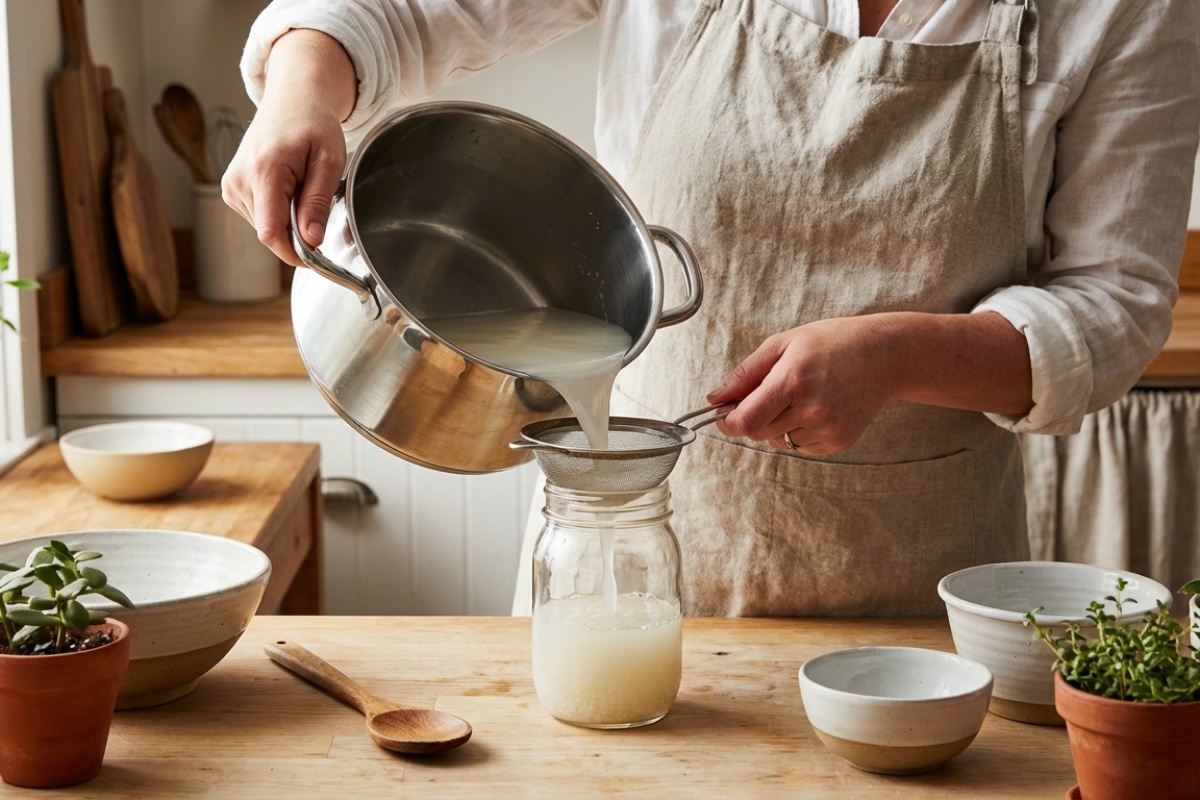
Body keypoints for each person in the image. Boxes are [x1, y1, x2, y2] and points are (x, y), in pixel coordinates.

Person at [225, 0, 1200, 616]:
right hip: (626, 553)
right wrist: (303, 87)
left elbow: (1114, 304)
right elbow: (394, 15)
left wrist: (900, 355)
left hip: (919, 597)